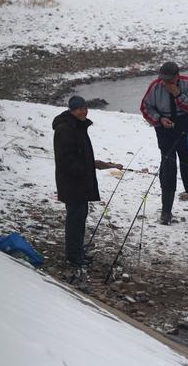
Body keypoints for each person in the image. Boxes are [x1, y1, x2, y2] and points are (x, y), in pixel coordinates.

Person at [53, 96, 122, 267]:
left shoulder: (78, 126)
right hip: (72, 182)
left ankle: (78, 251)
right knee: (75, 218)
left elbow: (81, 155)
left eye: (85, 107)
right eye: (79, 108)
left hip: (80, 181)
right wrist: (85, 171)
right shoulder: (65, 129)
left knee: (80, 216)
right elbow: (66, 159)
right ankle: (74, 256)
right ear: (71, 110)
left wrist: (98, 165)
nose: (83, 111)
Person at [140, 61, 188, 225]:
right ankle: (166, 211)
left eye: (169, 80)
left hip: (184, 128)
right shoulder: (155, 86)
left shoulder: (187, 83)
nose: (165, 83)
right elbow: (145, 108)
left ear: (177, 76)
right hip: (164, 131)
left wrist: (177, 94)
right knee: (168, 168)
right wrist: (159, 119)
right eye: (163, 79)